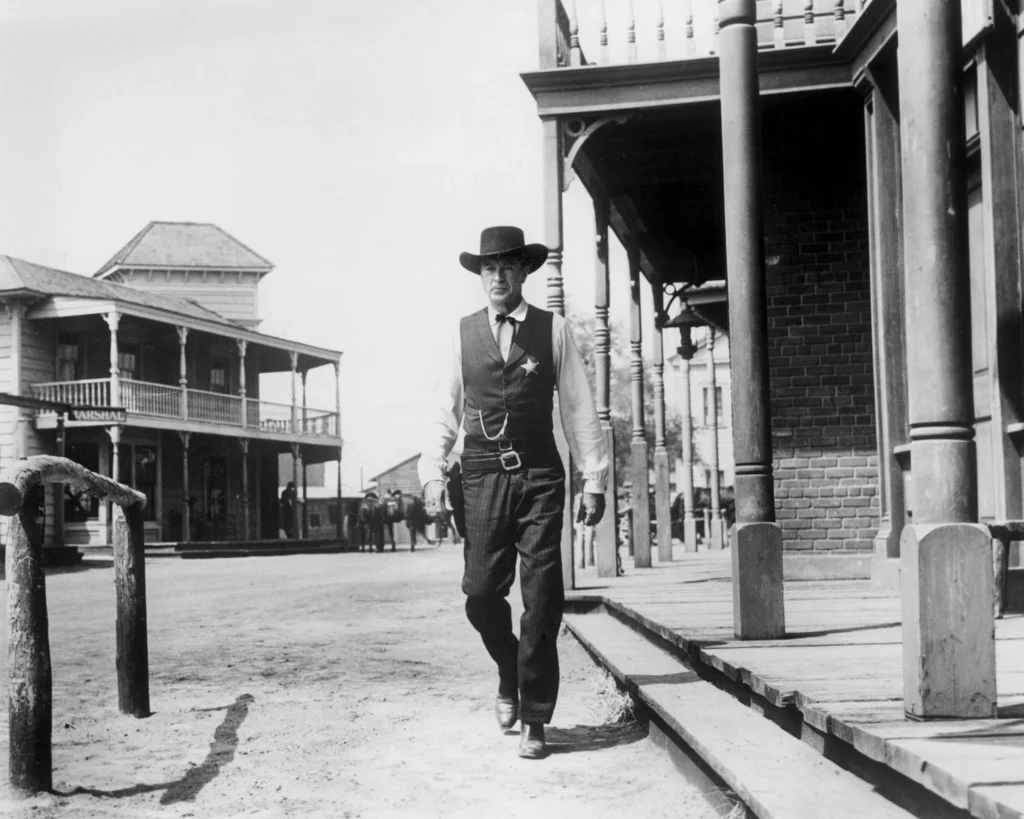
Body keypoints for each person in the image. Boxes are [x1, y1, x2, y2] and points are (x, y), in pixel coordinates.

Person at [420, 225, 608, 760]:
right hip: (479, 475)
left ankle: (535, 717)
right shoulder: (461, 334)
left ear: (524, 271)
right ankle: (509, 667)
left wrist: (592, 479)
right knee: (480, 594)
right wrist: (433, 473)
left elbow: (576, 406)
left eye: (507, 266)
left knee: (543, 598)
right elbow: (444, 409)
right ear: (480, 276)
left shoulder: (553, 330)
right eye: (488, 268)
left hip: (541, 476)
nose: (497, 276)